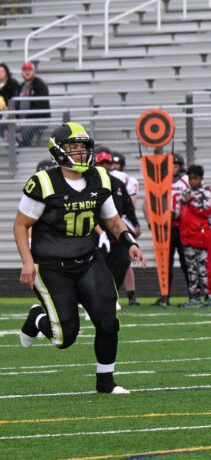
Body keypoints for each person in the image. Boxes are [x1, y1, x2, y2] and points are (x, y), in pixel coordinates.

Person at [14, 122, 146, 394]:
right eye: (73, 148)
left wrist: (130, 242)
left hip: (88, 260)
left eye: (83, 148)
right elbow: (20, 224)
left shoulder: (100, 178)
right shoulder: (44, 182)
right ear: (59, 151)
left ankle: (106, 382)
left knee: (108, 320)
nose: (80, 153)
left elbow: (112, 220)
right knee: (65, 338)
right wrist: (27, 261)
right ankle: (37, 319)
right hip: (51, 266)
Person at [93, 148, 140, 305]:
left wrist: (135, 223)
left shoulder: (118, 184)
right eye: (102, 163)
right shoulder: (90, 184)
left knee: (122, 261)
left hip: (115, 230)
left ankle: (111, 294)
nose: (105, 166)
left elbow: (127, 206)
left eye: (107, 163)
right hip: (96, 233)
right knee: (97, 265)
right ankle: (92, 296)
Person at [150, 153, 190, 307]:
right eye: (170, 166)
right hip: (165, 228)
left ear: (180, 167)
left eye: (175, 166)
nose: (172, 169)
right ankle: (164, 296)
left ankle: (194, 295)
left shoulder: (186, 181)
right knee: (165, 263)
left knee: (186, 263)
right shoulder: (159, 181)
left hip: (182, 226)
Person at [178, 164, 211, 308]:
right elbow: (179, 212)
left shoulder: (206, 193)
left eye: (194, 178)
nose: (192, 181)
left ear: (201, 178)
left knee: (204, 269)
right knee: (191, 269)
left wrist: (191, 202)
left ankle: (210, 297)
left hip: (201, 236)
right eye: (190, 178)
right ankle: (194, 297)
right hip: (186, 237)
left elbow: (209, 211)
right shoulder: (185, 192)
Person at [110, 151, 141, 305]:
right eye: (112, 163)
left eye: (117, 164)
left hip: (121, 222)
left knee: (125, 261)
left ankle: (130, 293)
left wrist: (133, 223)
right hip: (108, 222)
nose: (115, 167)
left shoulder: (126, 180)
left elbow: (130, 205)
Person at [15, 61, 50, 147]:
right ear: (21, 73)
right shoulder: (21, 86)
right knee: (4, 125)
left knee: (28, 127)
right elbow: (16, 105)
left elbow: (40, 107)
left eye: (29, 70)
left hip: (39, 118)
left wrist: (25, 120)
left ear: (34, 72)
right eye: (25, 70)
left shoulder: (40, 85)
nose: (27, 72)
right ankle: (14, 144)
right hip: (21, 120)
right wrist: (16, 119)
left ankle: (24, 146)